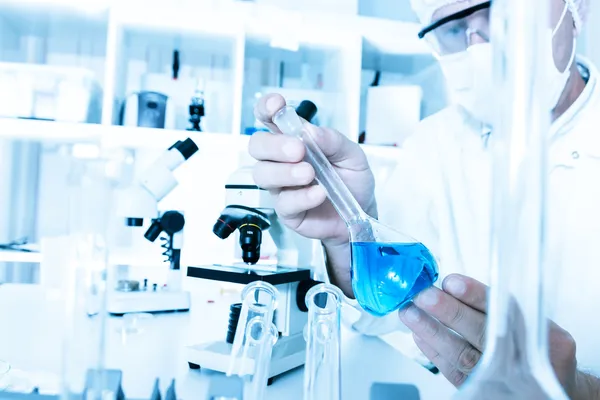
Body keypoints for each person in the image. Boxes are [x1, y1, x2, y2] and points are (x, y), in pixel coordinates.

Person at [249, 0, 600, 398]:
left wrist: (584, 391)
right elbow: (384, 315)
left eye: (501, 10)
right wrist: (347, 238)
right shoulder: (434, 142)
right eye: (453, 27)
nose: (479, 43)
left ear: (578, 7)